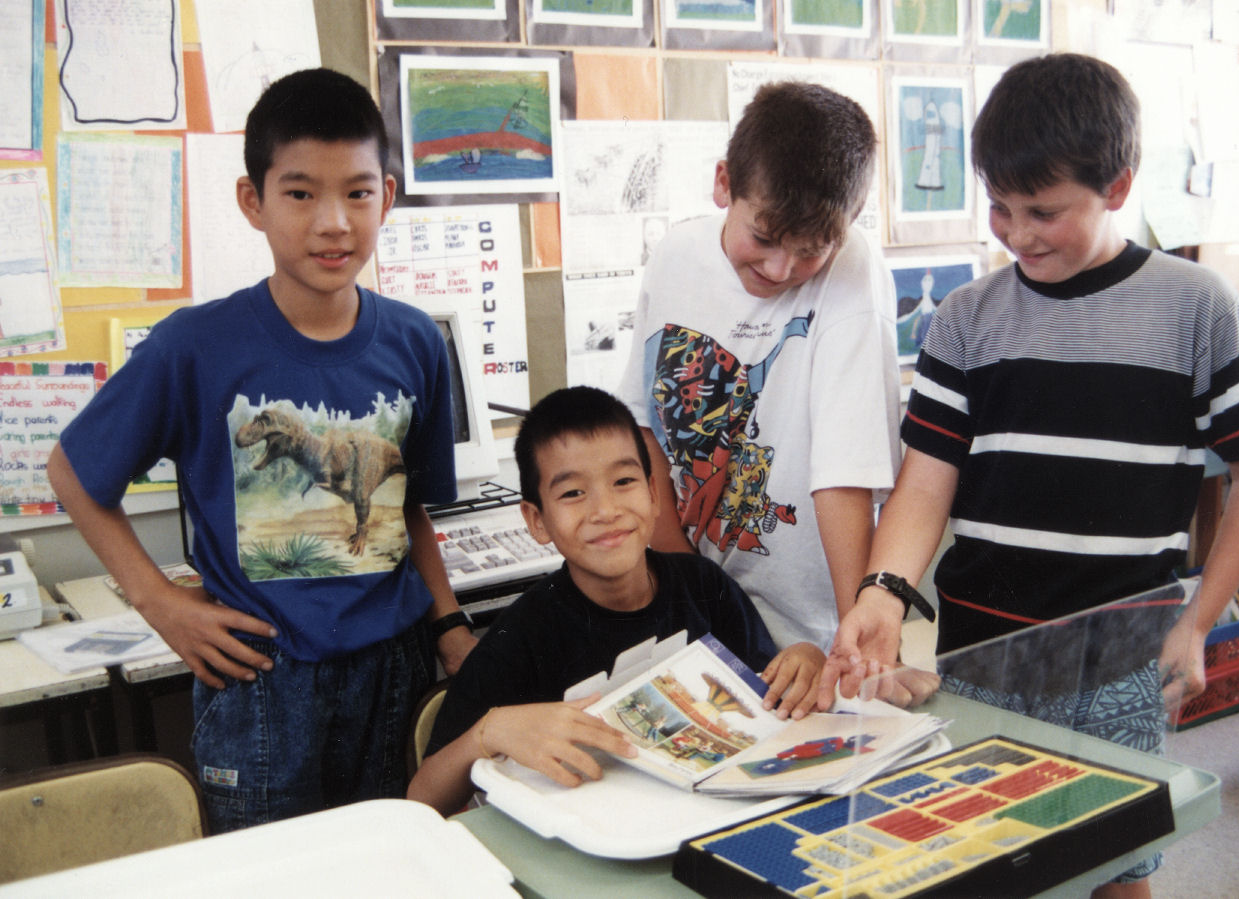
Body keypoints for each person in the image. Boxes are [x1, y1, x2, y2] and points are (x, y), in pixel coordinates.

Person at [819, 53, 1239, 897]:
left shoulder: (1197, 306)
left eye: (1043, 210)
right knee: (983, 849)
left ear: (1118, 185)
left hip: (1121, 654)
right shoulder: (965, 318)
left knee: (1115, 860)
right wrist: (882, 591)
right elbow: (927, 480)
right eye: (999, 208)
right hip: (983, 652)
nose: (1018, 232)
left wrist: (1198, 619)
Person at [47, 68, 476, 832]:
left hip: (394, 668)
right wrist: (160, 604)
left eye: (358, 191)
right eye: (301, 192)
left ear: (389, 193)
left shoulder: (414, 342)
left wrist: (449, 625)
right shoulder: (196, 345)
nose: (334, 223)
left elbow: (403, 508)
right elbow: (75, 472)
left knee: (392, 864)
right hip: (263, 685)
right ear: (254, 201)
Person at [407, 386, 825, 816]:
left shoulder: (704, 585)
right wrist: (487, 733)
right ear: (537, 520)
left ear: (654, 494)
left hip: (700, 819)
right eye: (572, 493)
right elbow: (421, 801)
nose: (605, 510)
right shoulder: (518, 640)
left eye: (623, 482)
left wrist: (805, 660)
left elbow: (769, 693)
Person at [617, 81, 902, 654]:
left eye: (811, 249)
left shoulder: (853, 270)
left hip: (810, 628)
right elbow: (643, 423)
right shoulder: (675, 257)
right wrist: (685, 586)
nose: (781, 267)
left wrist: (858, 644)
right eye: (765, 237)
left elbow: (844, 469)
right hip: (698, 602)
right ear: (724, 183)